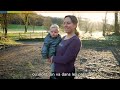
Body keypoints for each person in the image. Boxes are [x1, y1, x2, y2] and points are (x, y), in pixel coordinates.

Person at [48, 15, 81, 79]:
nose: (65, 25)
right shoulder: (63, 38)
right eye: (64, 23)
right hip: (55, 72)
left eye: (68, 23)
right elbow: (57, 52)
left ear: (75, 25)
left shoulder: (75, 41)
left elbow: (65, 59)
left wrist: (52, 58)